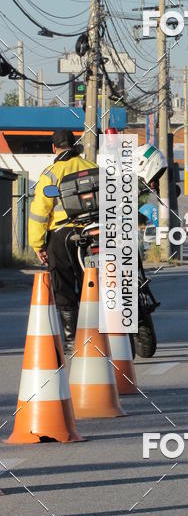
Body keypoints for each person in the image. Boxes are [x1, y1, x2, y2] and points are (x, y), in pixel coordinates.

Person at [28, 130, 97, 352]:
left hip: (62, 235)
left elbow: (40, 213)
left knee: (63, 286)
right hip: (94, 233)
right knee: (95, 283)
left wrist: (37, 244)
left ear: (53, 147)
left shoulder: (51, 174)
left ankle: (72, 340)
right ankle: (101, 333)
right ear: (74, 145)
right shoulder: (93, 168)